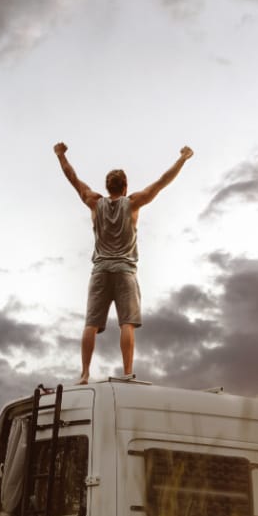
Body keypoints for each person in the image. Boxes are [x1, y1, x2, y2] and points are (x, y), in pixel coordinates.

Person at [53, 141, 193, 384]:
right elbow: (162, 182)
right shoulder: (134, 202)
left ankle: (84, 373)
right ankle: (127, 373)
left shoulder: (94, 201)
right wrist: (182, 158)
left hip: (100, 270)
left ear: (107, 187)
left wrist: (60, 155)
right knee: (127, 323)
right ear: (125, 187)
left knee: (91, 324)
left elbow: (73, 178)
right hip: (125, 271)